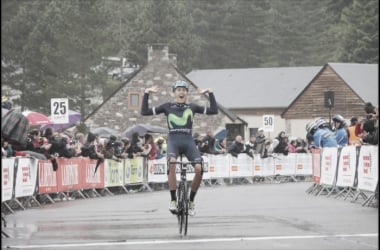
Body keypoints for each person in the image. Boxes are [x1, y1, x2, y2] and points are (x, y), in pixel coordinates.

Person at [141, 81, 218, 216]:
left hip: (188, 141)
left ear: (186, 93)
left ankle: (191, 201)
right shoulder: (167, 106)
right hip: (174, 140)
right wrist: (146, 93)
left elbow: (213, 110)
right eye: (179, 90)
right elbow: (145, 111)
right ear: (174, 92)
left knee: (199, 169)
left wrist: (210, 93)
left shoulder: (192, 107)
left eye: (184, 90)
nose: (181, 92)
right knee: (171, 164)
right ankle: (173, 200)